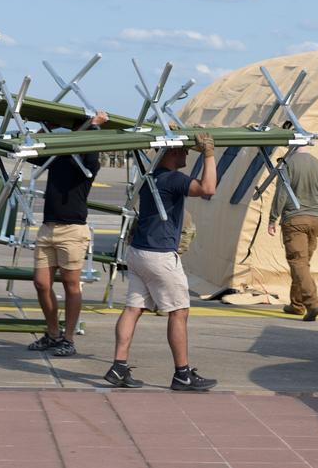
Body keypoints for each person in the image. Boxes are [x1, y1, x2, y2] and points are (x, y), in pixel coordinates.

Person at [104, 133, 218, 391]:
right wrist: (209, 154)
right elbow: (208, 188)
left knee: (133, 308)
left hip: (137, 252)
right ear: (171, 152)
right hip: (160, 255)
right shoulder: (173, 179)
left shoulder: (149, 178)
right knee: (179, 312)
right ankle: (182, 374)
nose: (188, 154)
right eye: (184, 150)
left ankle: (118, 366)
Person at [26, 111, 109, 357]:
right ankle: (53, 333)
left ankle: (68, 338)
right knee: (41, 283)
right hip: (48, 226)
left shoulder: (89, 162)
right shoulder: (57, 156)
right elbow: (31, 151)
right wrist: (46, 126)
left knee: (72, 285)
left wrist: (94, 127)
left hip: (73, 230)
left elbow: (92, 147)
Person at [267, 147, 318, 322]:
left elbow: (281, 193)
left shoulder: (287, 165)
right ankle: (296, 304)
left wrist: (272, 218)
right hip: (315, 221)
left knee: (298, 263)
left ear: (293, 147)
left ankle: (312, 303)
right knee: (303, 265)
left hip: (294, 220)